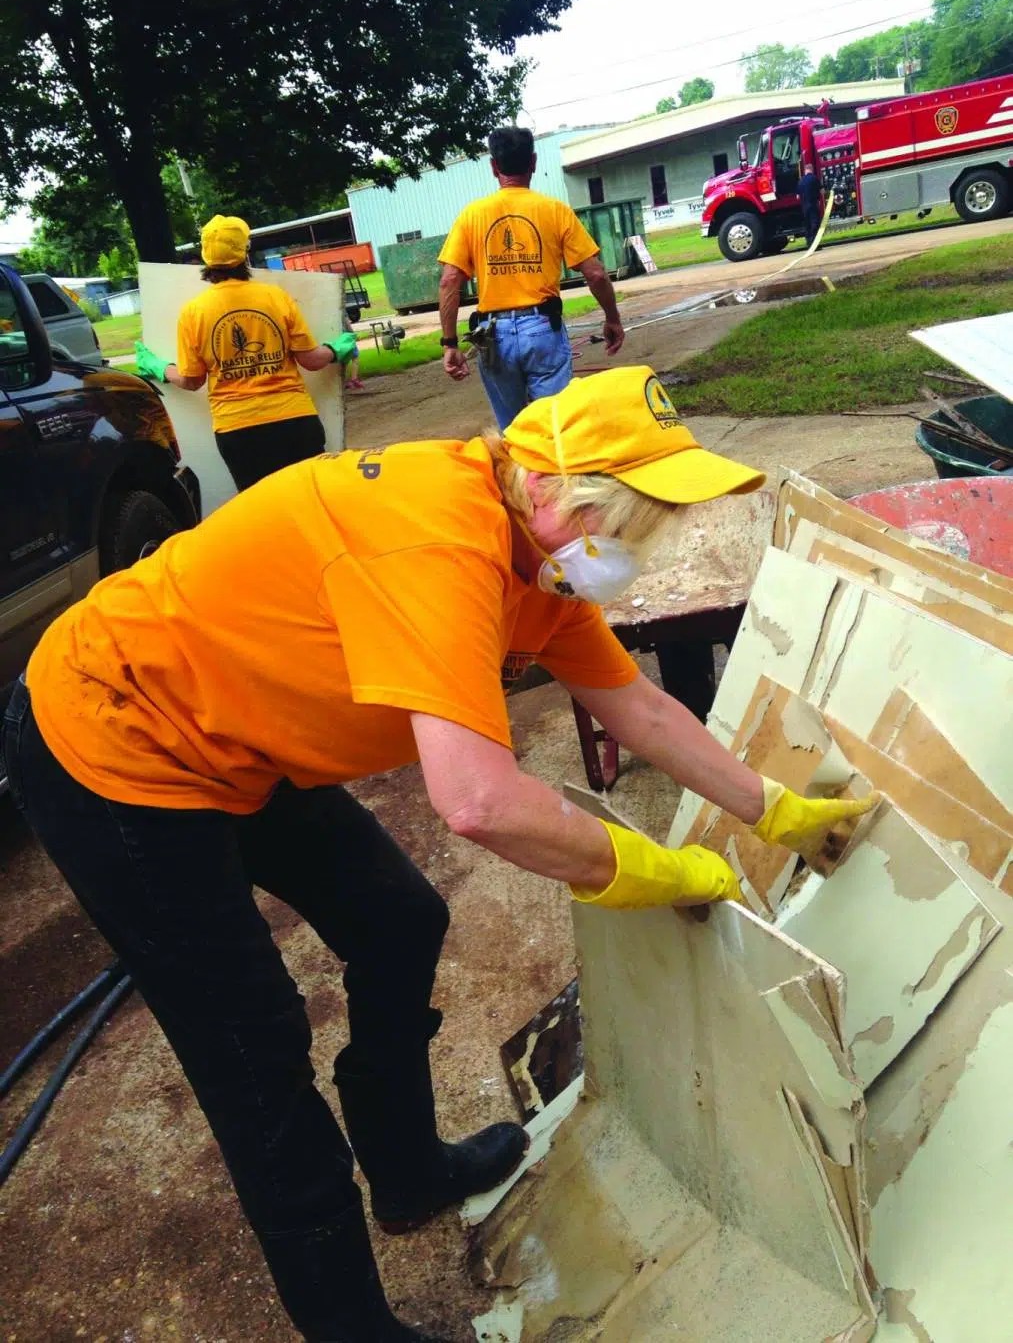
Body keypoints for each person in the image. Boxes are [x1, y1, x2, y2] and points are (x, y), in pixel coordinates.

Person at [2, 365, 874, 1342]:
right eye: (619, 524)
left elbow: (638, 707)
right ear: (544, 487)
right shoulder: (437, 540)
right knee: (253, 1045)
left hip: (233, 732)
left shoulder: (539, 563)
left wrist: (774, 812)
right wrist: (657, 873)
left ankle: (406, 1171)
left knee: (398, 919)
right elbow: (477, 801)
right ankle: (349, 1327)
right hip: (114, 738)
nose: (631, 554)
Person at [135, 215, 355, 491]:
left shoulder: (194, 312)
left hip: (238, 432)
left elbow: (192, 380)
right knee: (311, 503)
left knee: (261, 515)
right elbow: (310, 360)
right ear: (245, 254)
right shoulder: (276, 298)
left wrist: (159, 367)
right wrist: (336, 349)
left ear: (205, 259)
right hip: (295, 422)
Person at [438, 126, 625, 428]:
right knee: (553, 428)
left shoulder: (472, 216)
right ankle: (553, 473)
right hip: (542, 329)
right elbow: (596, 274)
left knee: (513, 431)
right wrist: (612, 318)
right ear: (534, 163)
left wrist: (449, 343)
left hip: (493, 335)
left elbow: (449, 281)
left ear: (493, 166)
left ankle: (520, 474)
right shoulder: (554, 211)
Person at [797, 164, 823, 247]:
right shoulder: (814, 178)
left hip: (804, 207)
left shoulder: (800, 181)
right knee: (815, 223)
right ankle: (814, 243)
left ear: (805, 170)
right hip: (813, 205)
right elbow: (822, 191)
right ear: (811, 169)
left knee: (807, 225)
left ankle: (808, 243)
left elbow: (797, 197)